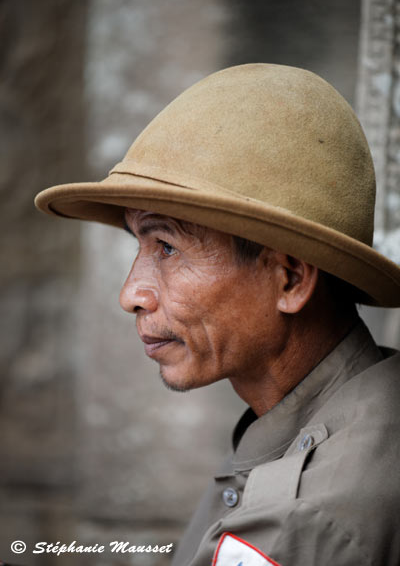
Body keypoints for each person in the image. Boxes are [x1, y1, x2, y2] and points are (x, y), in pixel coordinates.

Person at [35, 64, 400, 565]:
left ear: (289, 278)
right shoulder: (370, 405)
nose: (131, 294)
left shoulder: (302, 518)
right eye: (139, 243)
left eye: (166, 246)